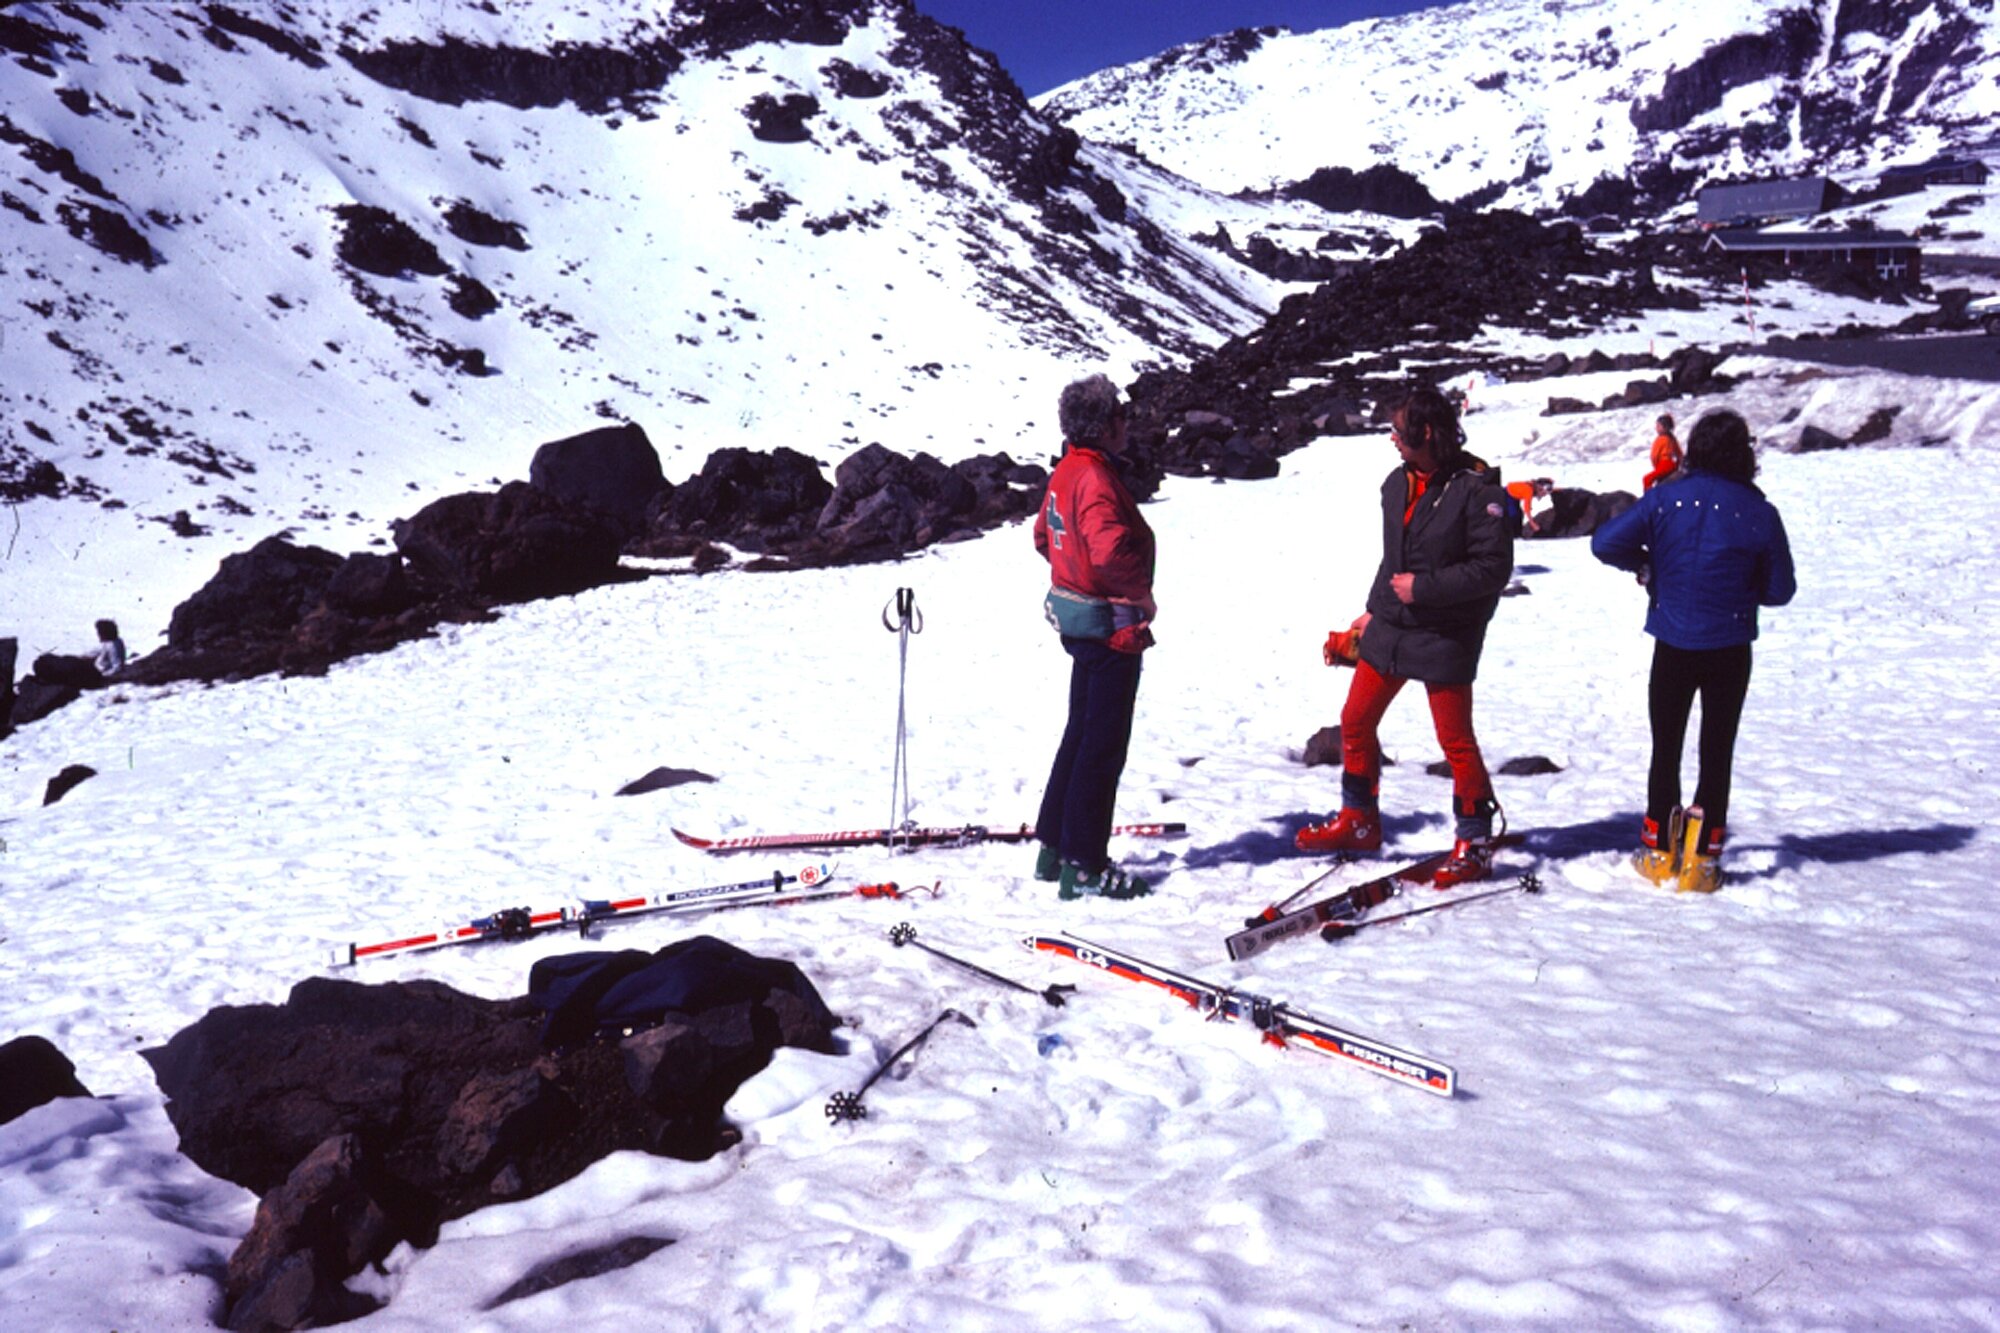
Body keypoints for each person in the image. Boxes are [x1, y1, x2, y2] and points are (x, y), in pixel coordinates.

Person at [1297, 385, 1515, 886]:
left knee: (1455, 740)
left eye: (1398, 430)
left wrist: (1424, 589)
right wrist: (1373, 612)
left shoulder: (1477, 490)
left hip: (1447, 631)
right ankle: (1359, 820)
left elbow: (1492, 569)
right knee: (1355, 720)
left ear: (1428, 433)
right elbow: (1393, 560)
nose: (1392, 438)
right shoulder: (1396, 483)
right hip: (1394, 625)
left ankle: (1475, 841)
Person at [1590, 409, 1795, 892]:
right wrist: (1742, 588)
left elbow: (1604, 543)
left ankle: (1660, 851)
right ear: (1743, 452)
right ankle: (1701, 864)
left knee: (1666, 747)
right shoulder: (1760, 511)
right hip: (1730, 646)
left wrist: (1648, 567)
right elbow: (1780, 590)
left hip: (1673, 643)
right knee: (1717, 751)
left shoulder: (1665, 499)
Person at [1032, 373, 1156, 900]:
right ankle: (1084, 866)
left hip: (1076, 619)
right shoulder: (1097, 479)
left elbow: (1043, 536)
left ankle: (1054, 847)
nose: (1126, 423)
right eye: (1120, 415)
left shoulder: (1067, 470)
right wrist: (1139, 595)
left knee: (1081, 730)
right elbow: (1108, 553)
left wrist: (1071, 573)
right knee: (1102, 744)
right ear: (1105, 425)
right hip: (1110, 624)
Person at [1642, 413, 1681, 491]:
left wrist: (1656, 467)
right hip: (1673, 465)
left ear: (1665, 427)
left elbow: (1654, 456)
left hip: (1664, 465)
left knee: (1646, 479)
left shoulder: (1660, 439)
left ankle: (1649, 496)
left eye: (1658, 426)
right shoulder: (1672, 438)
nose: (1656, 428)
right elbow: (1679, 454)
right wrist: (1677, 466)